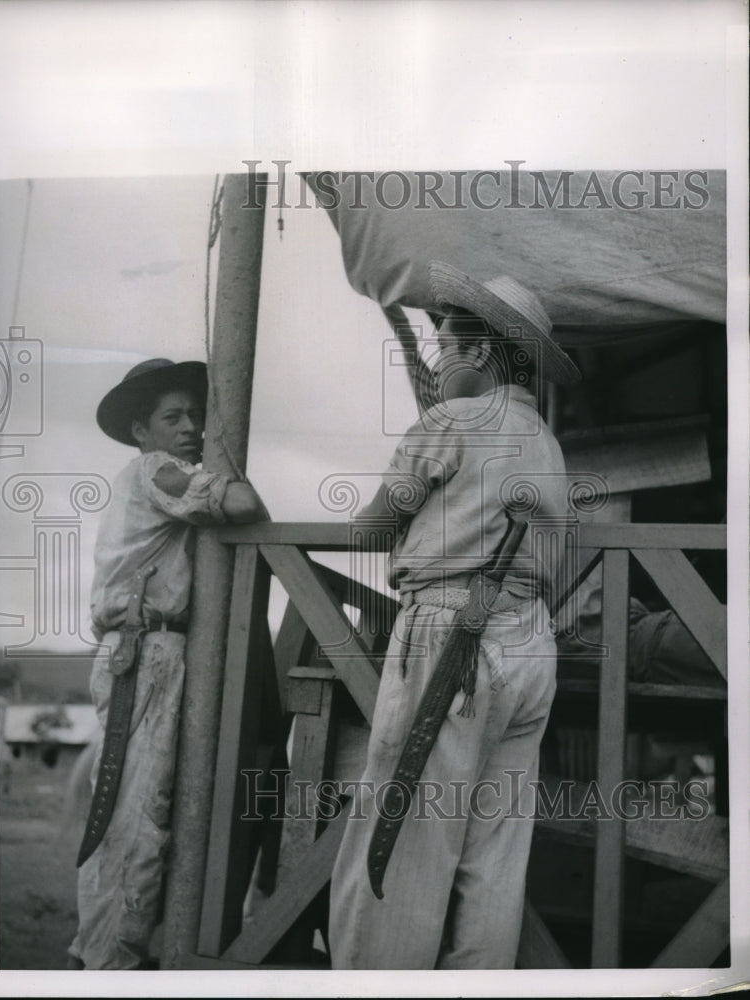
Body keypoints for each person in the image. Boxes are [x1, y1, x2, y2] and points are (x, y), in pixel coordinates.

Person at [328, 263, 581, 969]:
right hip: (529, 641)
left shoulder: (451, 420)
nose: (440, 358)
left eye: (445, 341)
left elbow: (369, 530)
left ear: (479, 349)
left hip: (451, 631)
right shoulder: (547, 443)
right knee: (492, 854)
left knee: (403, 841)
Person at [68, 358, 268, 970]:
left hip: (149, 649)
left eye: (195, 416)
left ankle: (95, 954)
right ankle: (110, 965)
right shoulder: (156, 469)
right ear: (141, 430)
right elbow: (244, 503)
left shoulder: (149, 473)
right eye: (172, 416)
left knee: (137, 811)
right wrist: (219, 466)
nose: (189, 427)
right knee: (137, 822)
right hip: (144, 652)